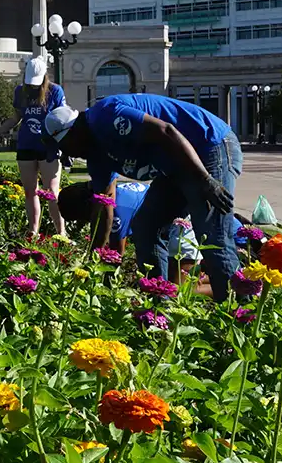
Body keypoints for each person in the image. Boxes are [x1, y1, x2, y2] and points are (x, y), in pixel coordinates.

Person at [43, 93, 242, 302]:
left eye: (63, 147)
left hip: (208, 146)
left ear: (72, 133)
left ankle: (241, 315)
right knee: (146, 227)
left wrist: (205, 179)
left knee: (213, 234)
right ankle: (158, 307)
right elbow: (104, 207)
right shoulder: (96, 157)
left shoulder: (105, 116)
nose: (67, 155)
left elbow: (166, 131)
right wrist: (93, 264)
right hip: (175, 165)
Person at [57, 179, 202, 286]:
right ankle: (211, 274)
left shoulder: (115, 212)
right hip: (165, 222)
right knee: (174, 279)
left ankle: (222, 288)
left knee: (179, 288)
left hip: (179, 224)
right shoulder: (113, 191)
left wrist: (104, 285)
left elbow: (116, 255)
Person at [12, 57, 65, 238]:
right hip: (26, 145)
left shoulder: (55, 91)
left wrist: (65, 145)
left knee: (52, 193)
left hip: (48, 146)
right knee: (30, 191)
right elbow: (17, 116)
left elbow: (63, 117)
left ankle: (62, 233)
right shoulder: (20, 91)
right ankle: (33, 231)